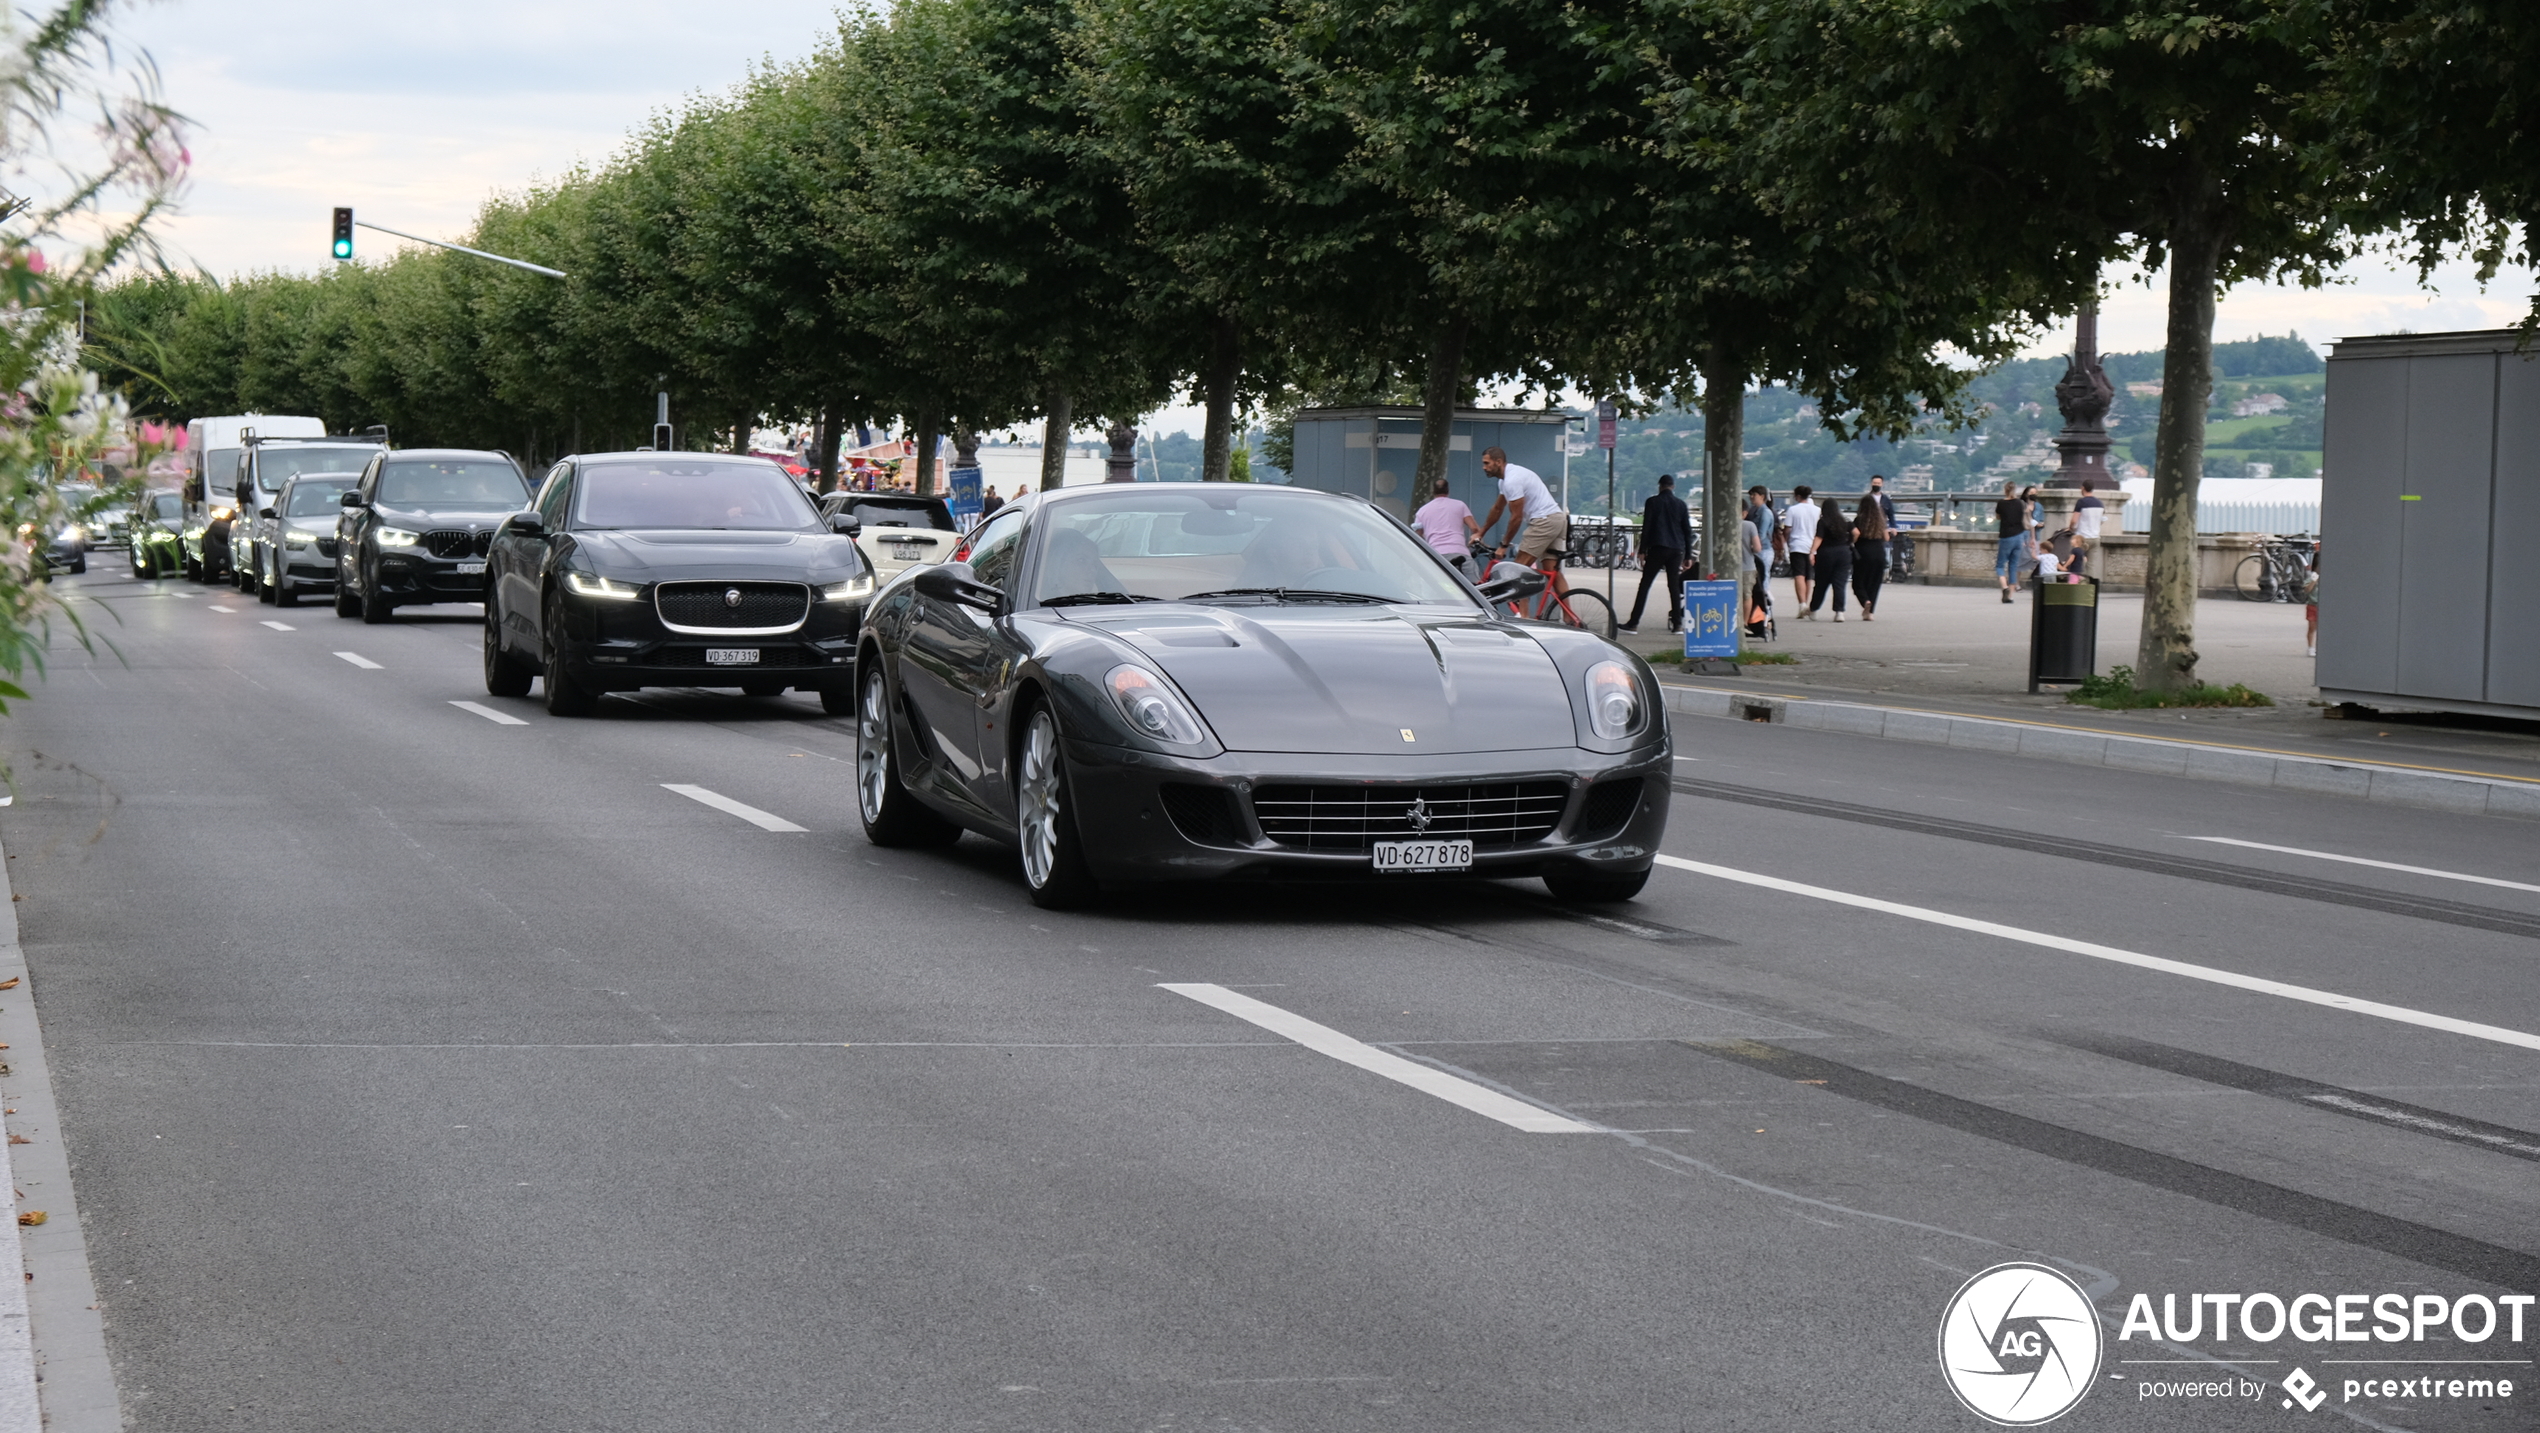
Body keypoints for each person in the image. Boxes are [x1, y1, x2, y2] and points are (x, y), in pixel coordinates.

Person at [1474, 446, 1569, 596]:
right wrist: (1481, 532)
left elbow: (1516, 517)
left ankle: (1524, 615)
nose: (1483, 467)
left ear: (1498, 462)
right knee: (1552, 571)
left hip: (1544, 521)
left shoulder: (1512, 480)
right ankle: (1570, 619)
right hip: (1556, 518)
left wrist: (1504, 545)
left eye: (1487, 463)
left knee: (1517, 572)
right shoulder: (1506, 481)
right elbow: (1497, 509)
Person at [1621, 473, 1693, 632]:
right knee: (1673, 586)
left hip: (1658, 548)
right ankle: (1677, 624)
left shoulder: (1652, 502)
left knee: (1645, 584)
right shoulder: (1681, 505)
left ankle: (1633, 623)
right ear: (1673, 487)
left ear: (1660, 486)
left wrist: (1642, 550)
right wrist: (1688, 555)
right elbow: (1687, 531)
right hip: (1676, 550)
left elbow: (1647, 527)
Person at [1411, 477, 1483, 569]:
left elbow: (1417, 536)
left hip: (1436, 555)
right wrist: (1481, 544)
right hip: (1460, 553)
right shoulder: (1460, 505)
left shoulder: (1422, 511)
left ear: (1433, 491)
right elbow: (1474, 529)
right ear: (1448, 491)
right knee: (1474, 582)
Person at [1807, 495, 1853, 621]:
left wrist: (1812, 552)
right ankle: (1839, 612)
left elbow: (1819, 538)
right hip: (1843, 553)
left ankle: (1814, 610)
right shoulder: (1845, 520)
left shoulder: (1823, 521)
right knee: (1839, 584)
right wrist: (1849, 542)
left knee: (1821, 583)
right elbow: (1856, 532)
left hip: (1826, 554)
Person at [1852, 493, 1889, 620]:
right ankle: (1870, 612)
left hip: (1863, 552)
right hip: (1879, 553)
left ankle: (1865, 601)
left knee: (1858, 582)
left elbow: (1855, 534)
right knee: (1874, 583)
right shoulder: (1881, 520)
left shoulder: (1859, 520)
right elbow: (1886, 537)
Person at [1783, 483, 1818, 613]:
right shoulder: (1817, 510)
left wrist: (1785, 542)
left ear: (1797, 496)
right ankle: (1806, 602)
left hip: (1797, 544)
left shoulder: (1793, 510)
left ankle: (1802, 604)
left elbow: (1787, 529)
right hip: (1812, 546)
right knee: (1809, 576)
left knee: (1799, 574)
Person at [1993, 480, 2027, 604]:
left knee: (2000, 565)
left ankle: (2005, 587)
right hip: (2019, 536)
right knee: (2013, 566)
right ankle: (2010, 596)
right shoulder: (2020, 503)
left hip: (2006, 536)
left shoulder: (2001, 503)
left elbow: (1998, 516)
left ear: (2005, 490)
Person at [2067, 479, 2104, 575]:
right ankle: (2091, 586)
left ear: (2083, 488)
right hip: (2095, 537)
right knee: (2091, 565)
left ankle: (2078, 584)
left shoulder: (2081, 502)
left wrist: (2071, 528)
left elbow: (2074, 520)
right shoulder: (2100, 503)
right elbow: (2102, 520)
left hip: (2082, 537)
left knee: (2078, 563)